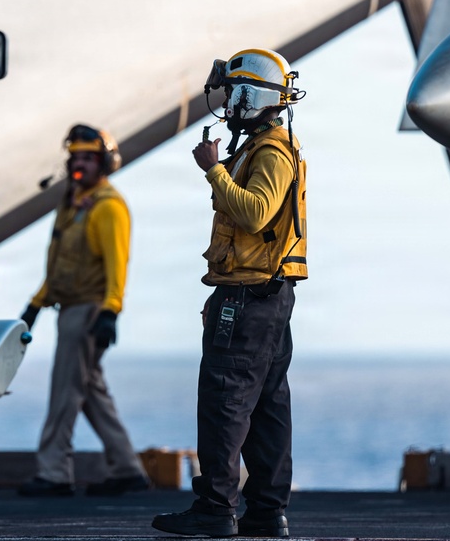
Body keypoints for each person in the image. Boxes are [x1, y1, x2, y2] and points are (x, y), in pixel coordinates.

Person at [152, 49, 307, 537]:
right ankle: (265, 511)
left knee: (225, 399)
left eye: (234, 94)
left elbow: (257, 212)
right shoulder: (270, 148)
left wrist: (212, 169)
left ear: (250, 96)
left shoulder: (269, 153)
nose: (229, 104)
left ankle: (216, 510)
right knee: (266, 405)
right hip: (265, 298)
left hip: (248, 299)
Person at [16, 124, 151, 498]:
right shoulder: (73, 202)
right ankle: (127, 469)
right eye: (75, 157)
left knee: (65, 393)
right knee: (90, 390)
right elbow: (60, 263)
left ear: (104, 163)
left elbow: (116, 266)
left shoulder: (108, 207)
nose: (79, 164)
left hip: (86, 312)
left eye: (88, 158)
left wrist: (111, 311)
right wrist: (36, 304)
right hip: (68, 307)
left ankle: (54, 473)